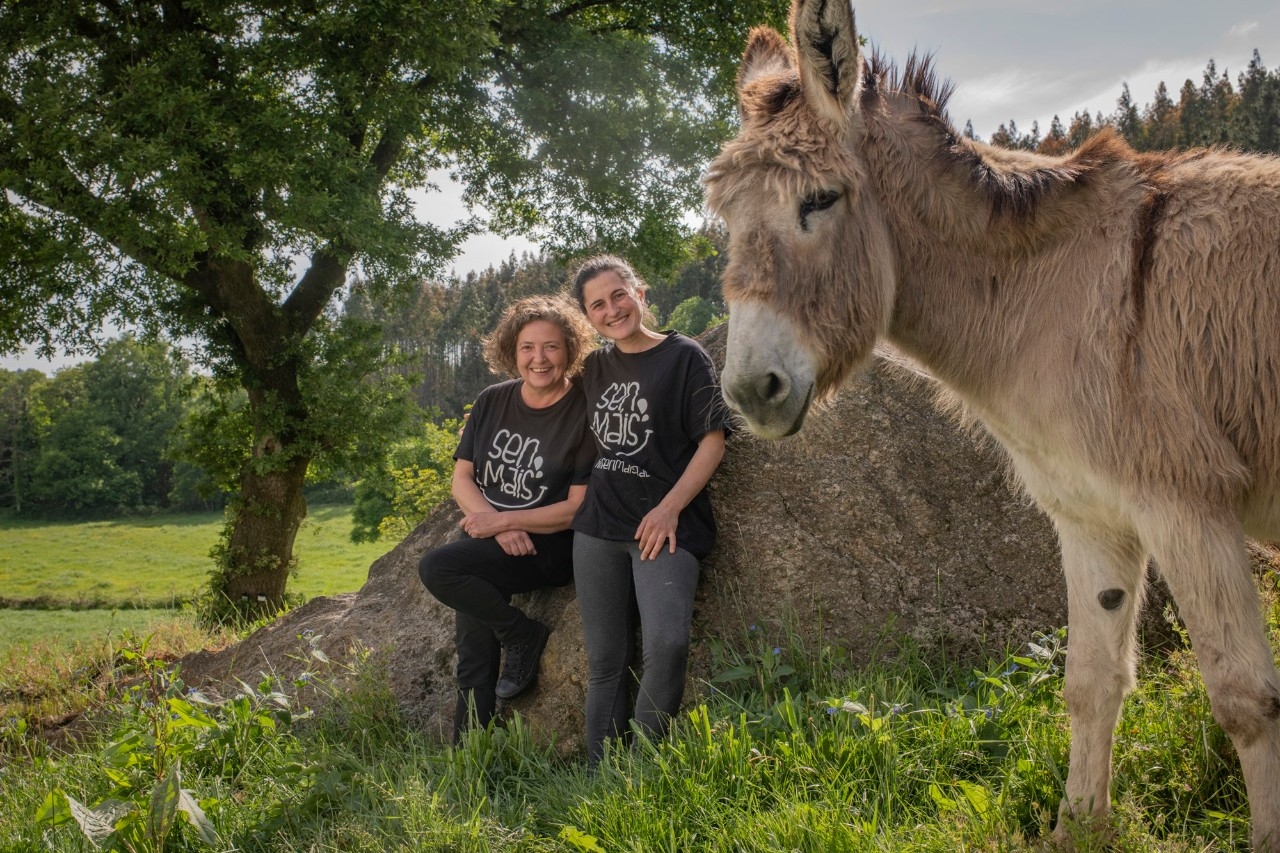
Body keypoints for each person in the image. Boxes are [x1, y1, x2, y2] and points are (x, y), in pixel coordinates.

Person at [569, 254, 729, 764]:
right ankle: (600, 776)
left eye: (619, 295)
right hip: (597, 528)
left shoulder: (684, 357)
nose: (612, 309)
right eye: (598, 305)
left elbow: (712, 441)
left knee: (666, 644)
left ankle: (643, 770)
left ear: (640, 293)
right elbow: (544, 392)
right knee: (605, 661)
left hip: (664, 526)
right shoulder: (594, 368)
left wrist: (669, 508)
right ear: (589, 317)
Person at [419, 295, 597, 740]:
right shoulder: (492, 400)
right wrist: (497, 525)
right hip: (493, 539)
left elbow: (576, 508)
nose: (539, 358)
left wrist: (504, 524)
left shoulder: (583, 411)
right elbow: (462, 479)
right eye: (527, 347)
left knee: (439, 567)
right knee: (473, 646)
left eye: (551, 347)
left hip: (547, 546)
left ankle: (521, 635)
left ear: (570, 349)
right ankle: (470, 750)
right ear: (511, 351)